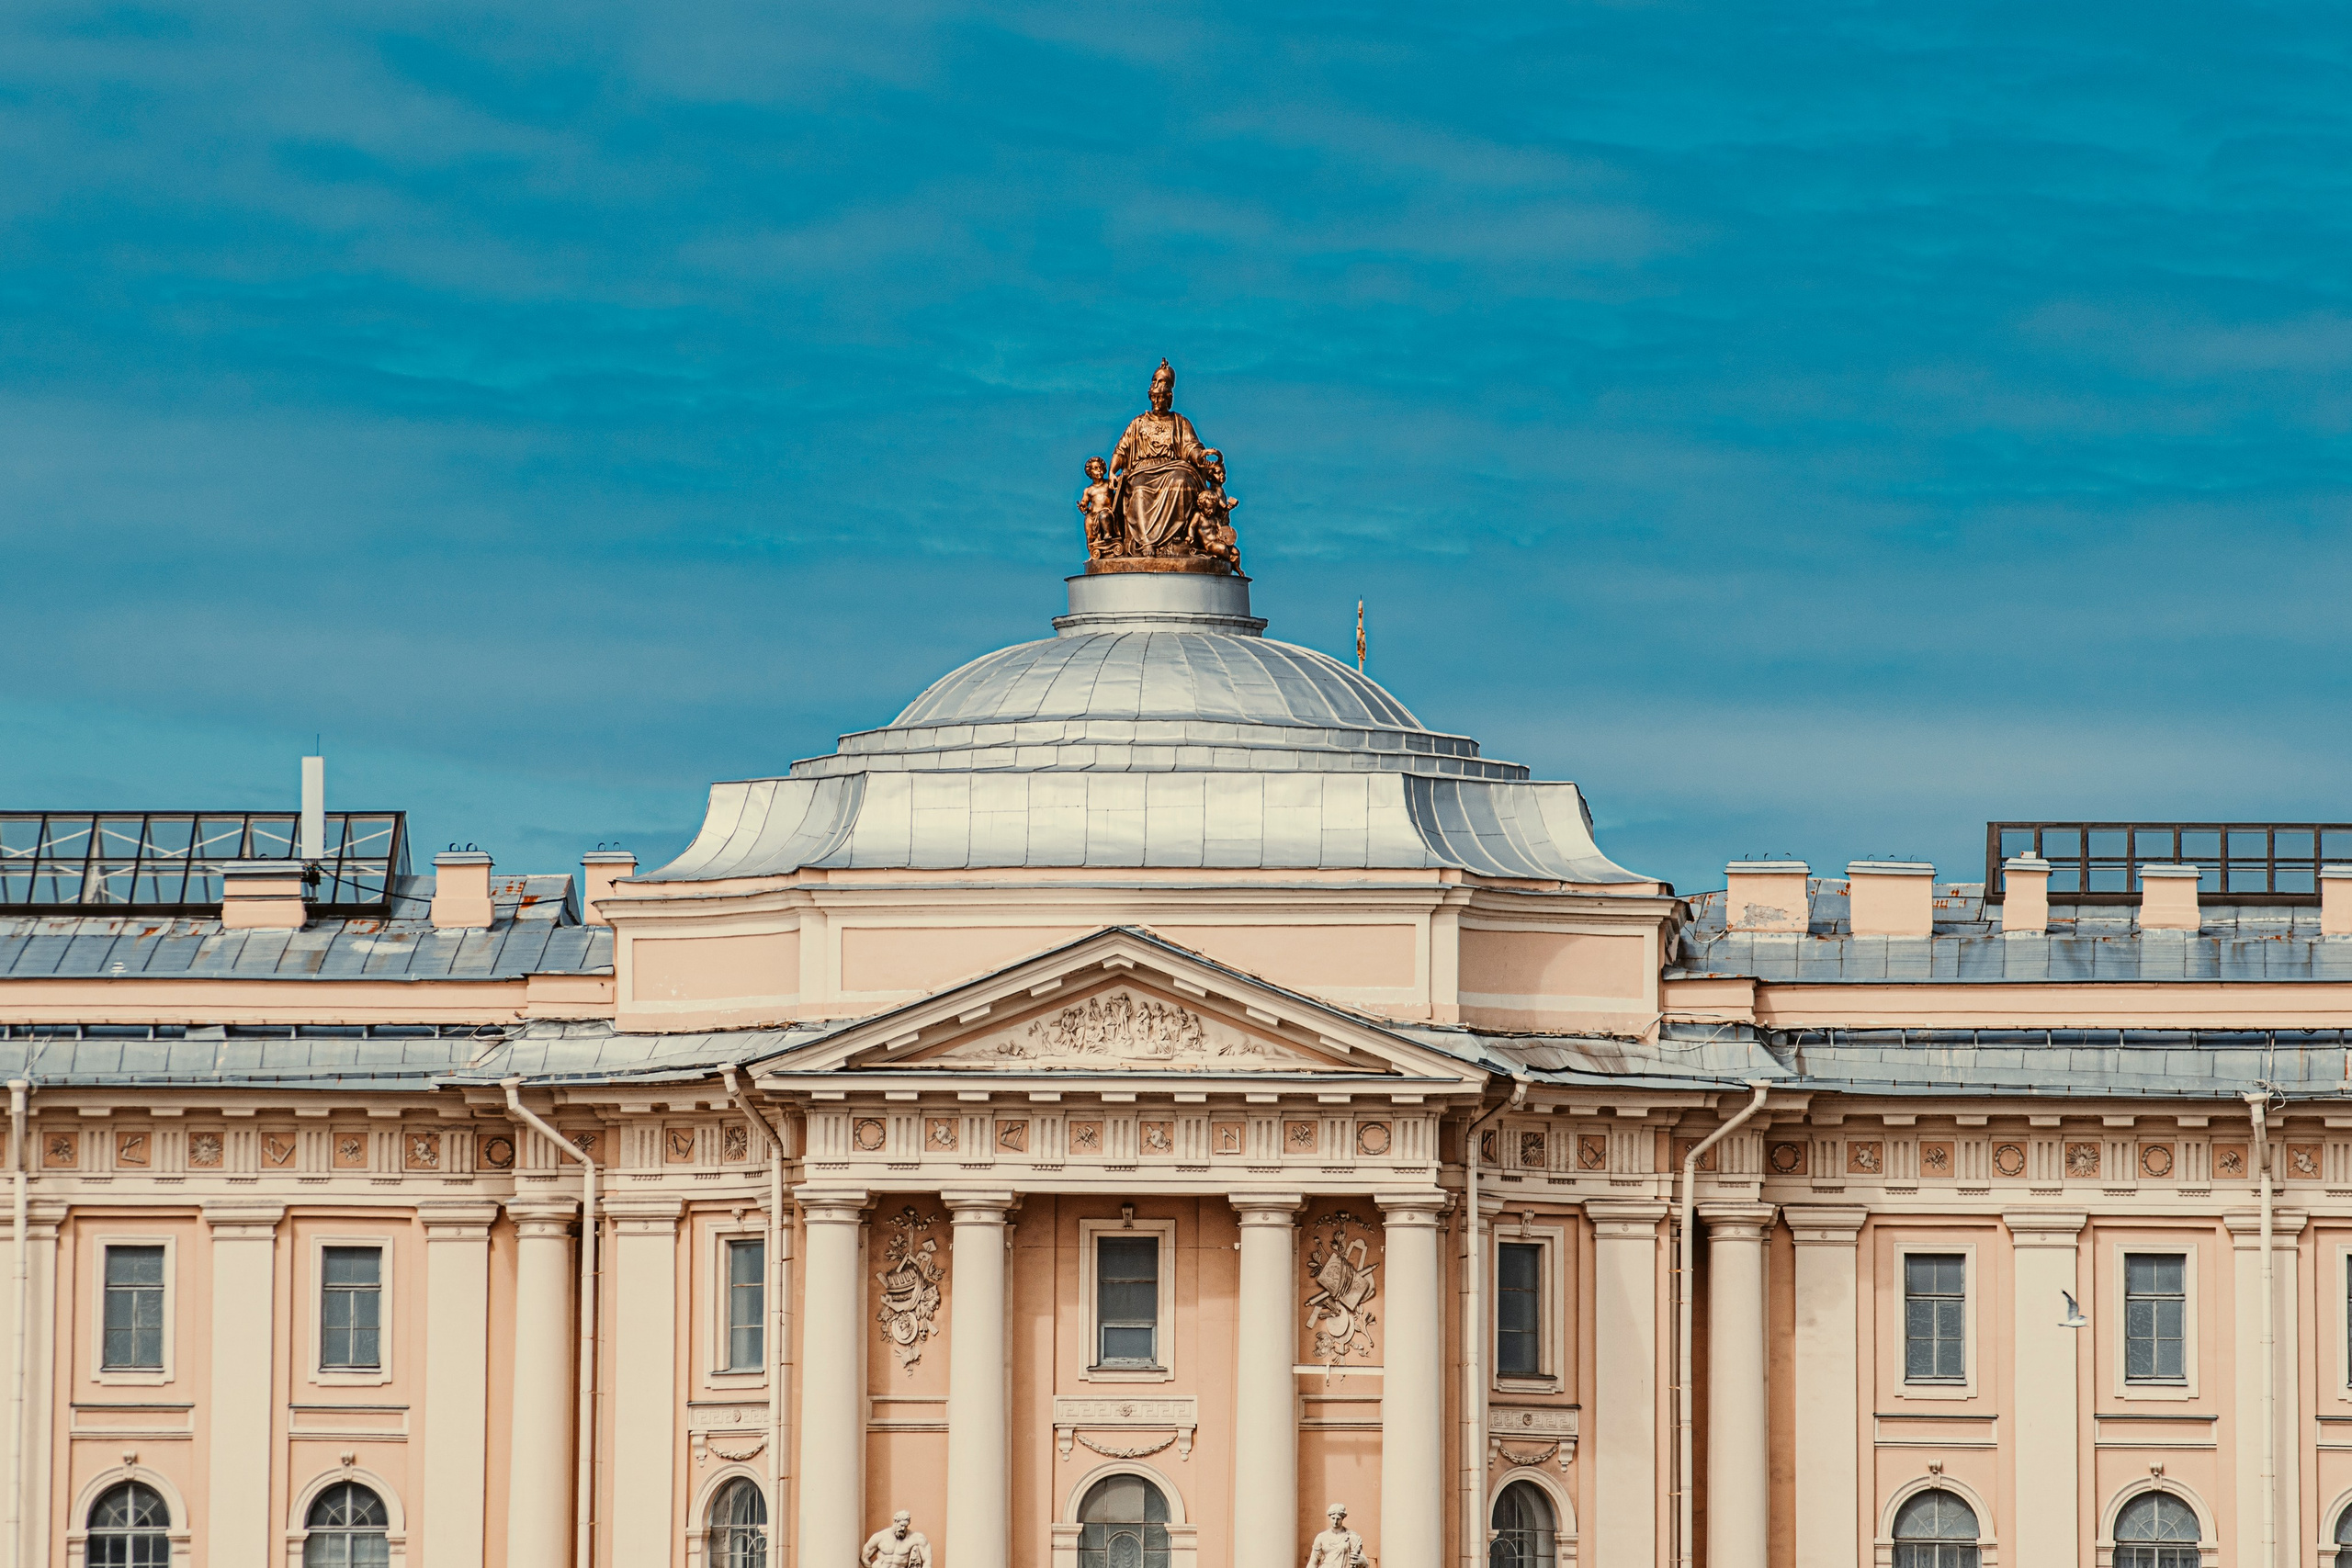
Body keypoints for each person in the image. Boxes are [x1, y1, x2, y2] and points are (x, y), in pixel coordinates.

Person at [1107, 360, 1215, 557]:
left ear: (1169, 399)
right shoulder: (1138, 423)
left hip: (1174, 468)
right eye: (1154, 398)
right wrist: (1112, 471)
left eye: (1162, 398)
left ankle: (1176, 540)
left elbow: (1192, 447)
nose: (1157, 402)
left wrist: (1201, 457)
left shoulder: (1180, 422)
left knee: (1183, 481)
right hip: (1142, 471)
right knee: (1139, 491)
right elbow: (1121, 450)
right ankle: (1146, 542)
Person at [1079, 456, 1119, 558]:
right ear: (1090, 472)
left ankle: (1107, 537)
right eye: (1095, 469)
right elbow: (1085, 501)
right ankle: (1092, 552)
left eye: (1100, 468)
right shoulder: (1088, 490)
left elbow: (1119, 481)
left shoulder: (1108, 484)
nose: (1099, 471)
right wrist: (1083, 506)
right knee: (1088, 527)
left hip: (1108, 512)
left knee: (1104, 516)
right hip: (1092, 514)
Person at [1303, 1503, 1367, 1568]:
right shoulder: (1321, 1537)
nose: (1335, 1522)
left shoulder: (1351, 1536)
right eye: (1333, 1518)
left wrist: (1363, 1562)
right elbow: (1313, 1563)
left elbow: (1363, 1561)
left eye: (1338, 1519)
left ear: (1342, 1519)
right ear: (1329, 1517)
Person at [863, 1511, 930, 1568]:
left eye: (905, 1526)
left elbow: (927, 1562)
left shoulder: (916, 1538)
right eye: (901, 1525)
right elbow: (864, 1558)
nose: (903, 1529)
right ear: (895, 1522)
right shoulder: (879, 1537)